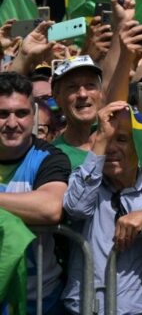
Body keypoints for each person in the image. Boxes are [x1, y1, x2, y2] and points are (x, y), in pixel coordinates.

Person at [62, 102, 142, 315]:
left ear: (139, 146)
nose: (110, 147)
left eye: (122, 139)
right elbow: (77, 208)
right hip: (81, 307)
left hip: (137, 309)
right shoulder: (86, 182)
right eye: (106, 138)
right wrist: (100, 139)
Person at [0, 72, 70, 313]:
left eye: (21, 113)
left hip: (40, 302)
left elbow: (50, 208)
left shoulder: (50, 157)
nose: (12, 123)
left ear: (34, 116)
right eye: (2, 114)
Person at [51, 56, 104, 168]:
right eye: (72, 87)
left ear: (101, 93)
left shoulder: (121, 143)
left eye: (90, 85)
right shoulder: (52, 157)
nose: (83, 94)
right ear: (57, 98)